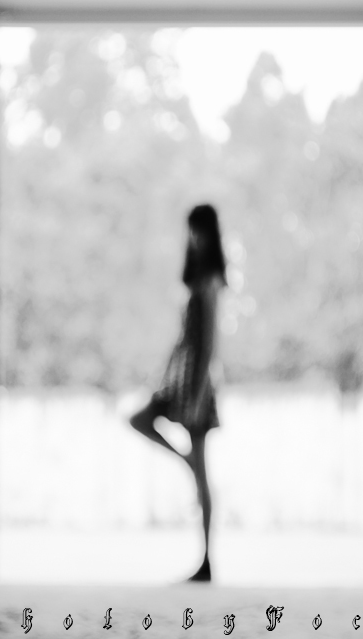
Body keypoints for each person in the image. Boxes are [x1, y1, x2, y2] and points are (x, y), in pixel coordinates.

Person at [129, 204, 227, 583]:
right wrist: (164, 374)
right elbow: (183, 339)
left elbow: (209, 342)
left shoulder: (211, 281)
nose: (195, 238)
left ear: (210, 234)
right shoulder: (195, 279)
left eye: (200, 231)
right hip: (179, 379)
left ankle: (206, 561)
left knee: (202, 472)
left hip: (197, 383)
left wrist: (199, 393)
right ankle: (185, 461)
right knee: (139, 420)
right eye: (192, 231)